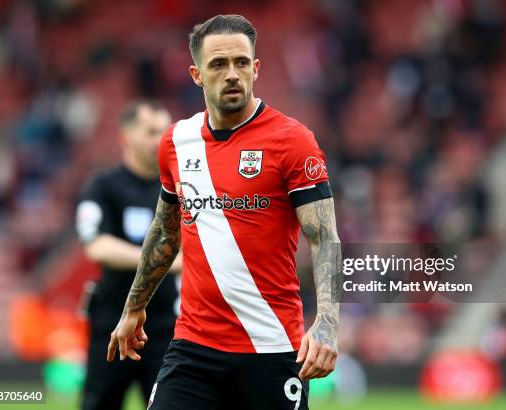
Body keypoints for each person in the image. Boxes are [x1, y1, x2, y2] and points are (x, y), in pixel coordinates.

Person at [107, 15, 341, 410]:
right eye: (218, 65)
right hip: (193, 349)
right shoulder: (176, 142)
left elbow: (325, 238)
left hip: (272, 348)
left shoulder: (292, 141)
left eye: (241, 62)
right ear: (197, 75)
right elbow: (165, 234)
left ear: (256, 68)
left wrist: (329, 325)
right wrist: (134, 307)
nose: (232, 74)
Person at [76, 101, 181, 410]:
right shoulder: (103, 187)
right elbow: (95, 245)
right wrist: (159, 260)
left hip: (164, 327)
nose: (159, 139)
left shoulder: (178, 189)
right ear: (126, 136)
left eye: (165, 131)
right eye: (151, 131)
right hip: (111, 320)